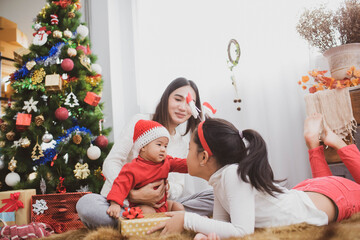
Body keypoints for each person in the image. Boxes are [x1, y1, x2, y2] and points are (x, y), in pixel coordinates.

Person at [148, 114, 360, 239]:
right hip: (308, 192)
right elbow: (223, 224)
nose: (184, 156)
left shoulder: (232, 174)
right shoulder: (221, 179)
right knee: (323, 182)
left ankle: (330, 145)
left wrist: (188, 219)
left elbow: (241, 230)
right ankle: (314, 145)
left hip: (338, 195)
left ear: (204, 157)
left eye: (188, 150)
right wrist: (205, 233)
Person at [76, 77, 213, 229]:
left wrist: (162, 191)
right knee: (86, 204)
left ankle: (148, 223)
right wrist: (132, 193)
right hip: (121, 204)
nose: (182, 107)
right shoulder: (140, 122)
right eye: (178, 99)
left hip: (161, 204)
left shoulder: (182, 143)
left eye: (189, 103)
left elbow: (179, 185)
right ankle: (147, 222)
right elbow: (112, 162)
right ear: (166, 98)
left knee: (213, 196)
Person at [107, 119, 187, 218]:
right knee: (147, 211)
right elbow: (120, 186)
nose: (163, 149)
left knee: (178, 207)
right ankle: (153, 229)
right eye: (159, 145)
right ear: (143, 147)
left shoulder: (166, 161)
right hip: (144, 206)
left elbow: (182, 164)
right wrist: (115, 204)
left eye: (165, 146)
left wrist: (197, 162)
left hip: (163, 205)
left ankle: (175, 227)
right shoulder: (132, 168)